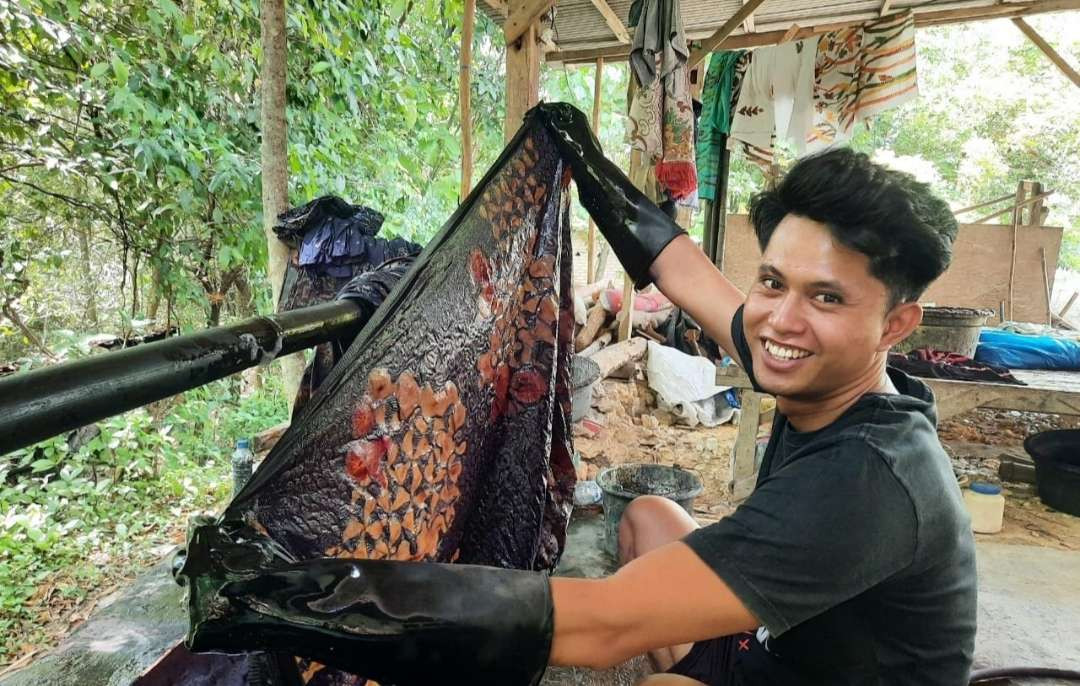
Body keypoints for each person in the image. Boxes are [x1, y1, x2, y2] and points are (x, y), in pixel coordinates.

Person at [181, 121, 976, 686]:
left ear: (896, 323)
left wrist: (287, 594)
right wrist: (583, 159)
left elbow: (599, 628)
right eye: (774, 281)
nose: (780, 321)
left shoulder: (869, 482)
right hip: (786, 638)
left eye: (826, 298)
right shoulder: (824, 368)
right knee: (649, 520)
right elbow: (689, 277)